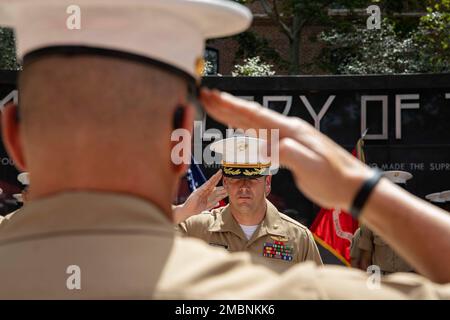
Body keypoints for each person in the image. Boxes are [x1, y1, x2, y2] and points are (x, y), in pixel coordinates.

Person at [0, 0, 449, 299]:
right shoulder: (264, 296)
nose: (243, 186)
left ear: (13, 135)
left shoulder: (292, 239)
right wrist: (360, 188)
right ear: (181, 140)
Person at [177, 135, 322, 272]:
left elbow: (318, 291)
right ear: (225, 183)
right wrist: (184, 210)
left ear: (267, 183)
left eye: (252, 179)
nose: (244, 187)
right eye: (236, 179)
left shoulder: (298, 237)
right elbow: (155, 246)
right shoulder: (196, 228)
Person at [357, 171, 415, 274]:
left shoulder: (415, 220)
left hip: (408, 280)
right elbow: (366, 258)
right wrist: (371, 285)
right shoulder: (371, 220)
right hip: (383, 279)